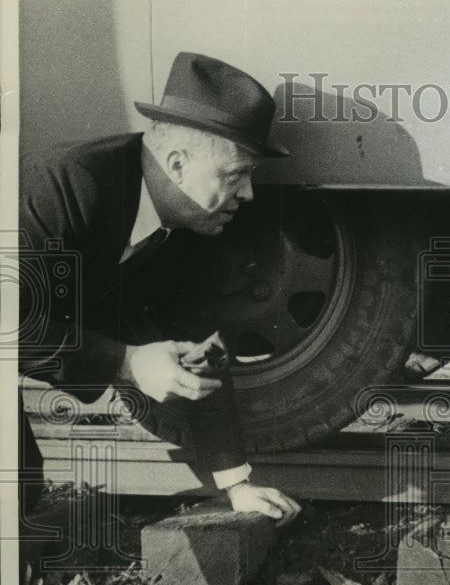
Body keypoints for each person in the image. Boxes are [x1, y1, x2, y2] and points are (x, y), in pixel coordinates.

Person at [19, 52, 302, 531]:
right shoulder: (64, 183)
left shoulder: (191, 230)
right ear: (176, 163)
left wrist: (236, 485)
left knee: (18, 499)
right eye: (237, 174)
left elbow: (200, 349)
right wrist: (126, 362)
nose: (249, 194)